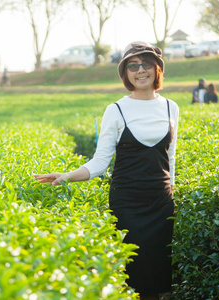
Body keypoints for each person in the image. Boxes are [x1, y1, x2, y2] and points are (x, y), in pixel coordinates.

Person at [35, 41, 179, 299]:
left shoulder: (171, 107)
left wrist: (173, 195)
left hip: (161, 205)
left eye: (146, 64)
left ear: (157, 69)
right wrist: (66, 176)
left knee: (158, 282)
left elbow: (170, 159)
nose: (140, 70)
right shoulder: (116, 110)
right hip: (128, 206)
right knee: (130, 277)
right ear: (125, 74)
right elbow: (100, 162)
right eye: (133, 66)